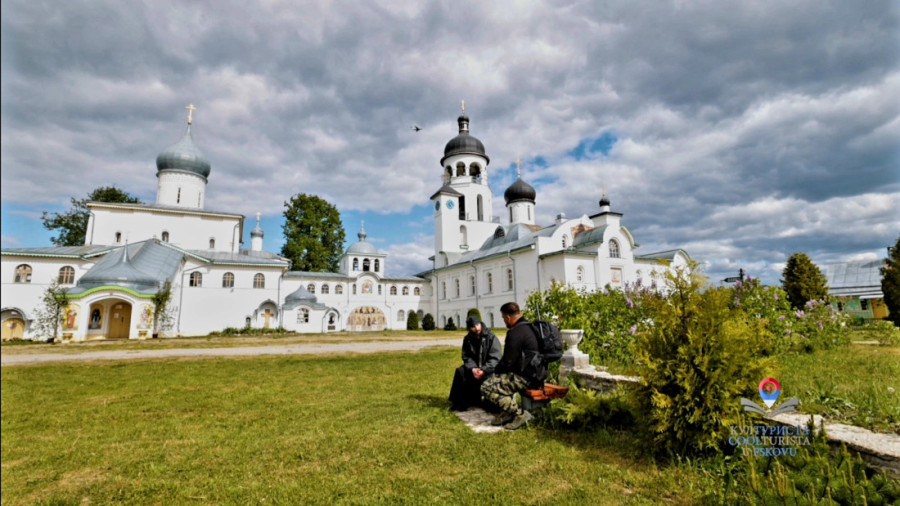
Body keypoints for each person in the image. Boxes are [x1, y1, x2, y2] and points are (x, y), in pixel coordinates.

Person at [480, 302, 542, 430]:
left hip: (526, 378)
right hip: (537, 374)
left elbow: (508, 361)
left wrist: (495, 372)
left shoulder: (515, 332)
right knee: (501, 382)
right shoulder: (530, 327)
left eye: (503, 318)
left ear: (508, 317)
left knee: (486, 387)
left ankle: (519, 414)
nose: (504, 321)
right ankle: (508, 413)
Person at [448, 316, 501, 411]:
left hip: (489, 368)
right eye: (473, 326)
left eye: (477, 324)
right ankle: (459, 402)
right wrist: (473, 368)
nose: (476, 328)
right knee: (461, 372)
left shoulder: (491, 337)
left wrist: (484, 369)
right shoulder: (467, 339)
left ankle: (488, 402)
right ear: (469, 328)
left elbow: (495, 358)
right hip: (475, 368)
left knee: (493, 377)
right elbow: (466, 356)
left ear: (480, 323)